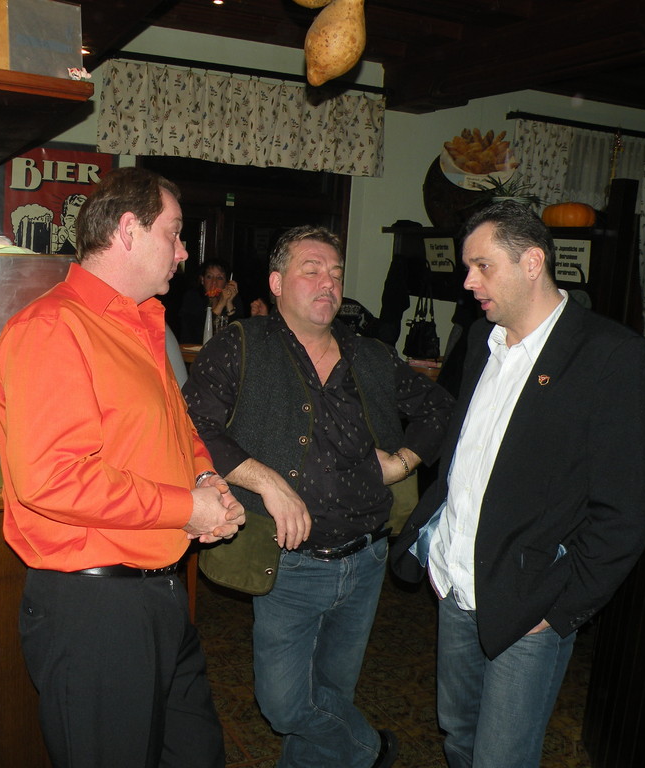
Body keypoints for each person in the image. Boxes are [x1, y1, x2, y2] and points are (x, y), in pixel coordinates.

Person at [390, 201, 645, 768]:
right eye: (468, 267)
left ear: (532, 262)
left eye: (482, 266)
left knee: (501, 758)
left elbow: (628, 510)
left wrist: (561, 609)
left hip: (530, 603)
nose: (469, 282)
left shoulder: (612, 356)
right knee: (458, 735)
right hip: (456, 582)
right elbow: (467, 452)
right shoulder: (479, 340)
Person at [0, 167, 245, 768]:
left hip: (158, 595)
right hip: (94, 610)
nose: (183, 253)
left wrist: (204, 480)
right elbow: (52, 479)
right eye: (174, 233)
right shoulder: (54, 327)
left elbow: (176, 429)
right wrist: (186, 509)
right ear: (129, 230)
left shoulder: (140, 322)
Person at [183, 225, 454, 768]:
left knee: (332, 694)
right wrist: (267, 481)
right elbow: (192, 424)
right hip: (289, 562)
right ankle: (371, 749)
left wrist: (403, 462)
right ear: (277, 282)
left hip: (366, 557)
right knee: (284, 704)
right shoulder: (240, 344)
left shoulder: (371, 355)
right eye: (311, 270)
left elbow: (440, 407)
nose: (327, 282)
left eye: (335, 273)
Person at [178, 259, 245, 342]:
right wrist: (221, 304)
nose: (214, 282)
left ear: (226, 283)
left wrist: (229, 303)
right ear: (202, 280)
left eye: (219, 278)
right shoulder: (192, 297)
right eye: (209, 277)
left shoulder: (235, 299)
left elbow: (239, 336)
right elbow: (197, 334)